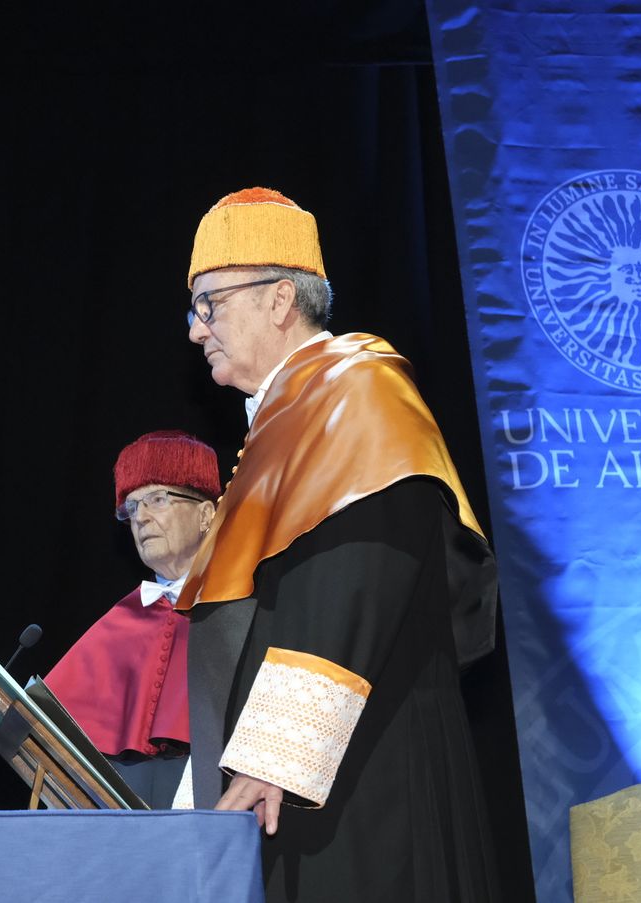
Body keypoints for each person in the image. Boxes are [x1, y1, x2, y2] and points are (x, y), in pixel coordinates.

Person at [175, 188, 500, 901]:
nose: (198, 331)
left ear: (279, 298)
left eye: (210, 304)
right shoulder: (282, 424)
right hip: (293, 788)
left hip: (364, 781)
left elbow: (353, 573)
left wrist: (275, 754)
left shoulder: (356, 391)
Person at [45, 430, 219, 808]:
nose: (141, 518)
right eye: (132, 507)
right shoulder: (124, 620)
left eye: (157, 499)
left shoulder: (241, 608)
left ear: (207, 514)